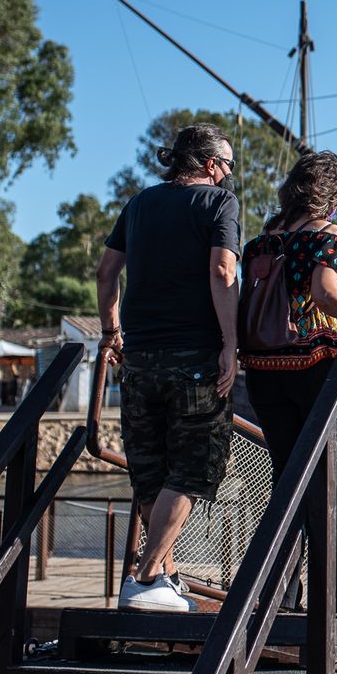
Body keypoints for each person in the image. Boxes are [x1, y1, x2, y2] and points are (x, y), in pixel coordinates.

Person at [239, 151, 337, 615]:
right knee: (331, 482)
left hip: (263, 371)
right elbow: (327, 295)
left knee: (287, 480)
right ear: (334, 197)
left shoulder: (261, 243)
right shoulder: (326, 235)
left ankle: (281, 597)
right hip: (316, 369)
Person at [97, 123, 241, 613]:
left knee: (151, 469)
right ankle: (144, 576)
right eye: (227, 165)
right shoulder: (219, 203)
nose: (228, 175)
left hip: (138, 358)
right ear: (210, 164)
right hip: (194, 357)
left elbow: (106, 272)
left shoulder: (139, 204)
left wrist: (111, 332)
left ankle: (165, 577)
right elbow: (223, 271)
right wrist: (230, 343)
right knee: (195, 465)